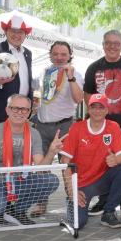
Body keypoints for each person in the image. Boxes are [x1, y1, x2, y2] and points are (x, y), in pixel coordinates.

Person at [0, 94, 62, 230]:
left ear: (29, 112)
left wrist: (51, 152)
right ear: (7, 110)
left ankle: (17, 211)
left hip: (19, 180)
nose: (20, 112)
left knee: (50, 180)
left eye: (24, 109)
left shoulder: (34, 133)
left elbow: (40, 168)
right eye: (15, 108)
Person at [83, 30, 121, 218]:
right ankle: (104, 200)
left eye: (116, 43)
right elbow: (88, 96)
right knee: (102, 163)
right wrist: (98, 116)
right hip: (100, 126)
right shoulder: (94, 68)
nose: (112, 46)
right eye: (108, 42)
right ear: (103, 44)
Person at [60, 94, 121, 228]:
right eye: (94, 107)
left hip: (101, 180)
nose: (97, 111)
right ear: (89, 109)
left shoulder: (113, 126)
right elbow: (65, 161)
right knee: (78, 223)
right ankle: (72, 202)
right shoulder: (77, 128)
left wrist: (115, 159)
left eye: (101, 107)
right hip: (81, 184)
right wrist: (71, 189)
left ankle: (109, 212)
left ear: (107, 110)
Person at [30, 41, 83, 216]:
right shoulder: (44, 72)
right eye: (56, 54)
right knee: (40, 165)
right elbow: (33, 92)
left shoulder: (76, 74)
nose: (59, 57)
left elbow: (78, 99)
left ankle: (72, 202)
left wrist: (71, 77)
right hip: (41, 125)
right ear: (50, 55)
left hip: (65, 126)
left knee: (67, 166)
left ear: (70, 55)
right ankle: (41, 203)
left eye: (63, 54)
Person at [0, 14, 34, 126]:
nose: (16, 35)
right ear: (6, 32)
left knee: (18, 143)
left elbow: (27, 80)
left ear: (25, 35)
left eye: (20, 32)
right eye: (13, 31)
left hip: (22, 111)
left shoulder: (28, 53)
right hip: (0, 111)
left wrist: (30, 106)